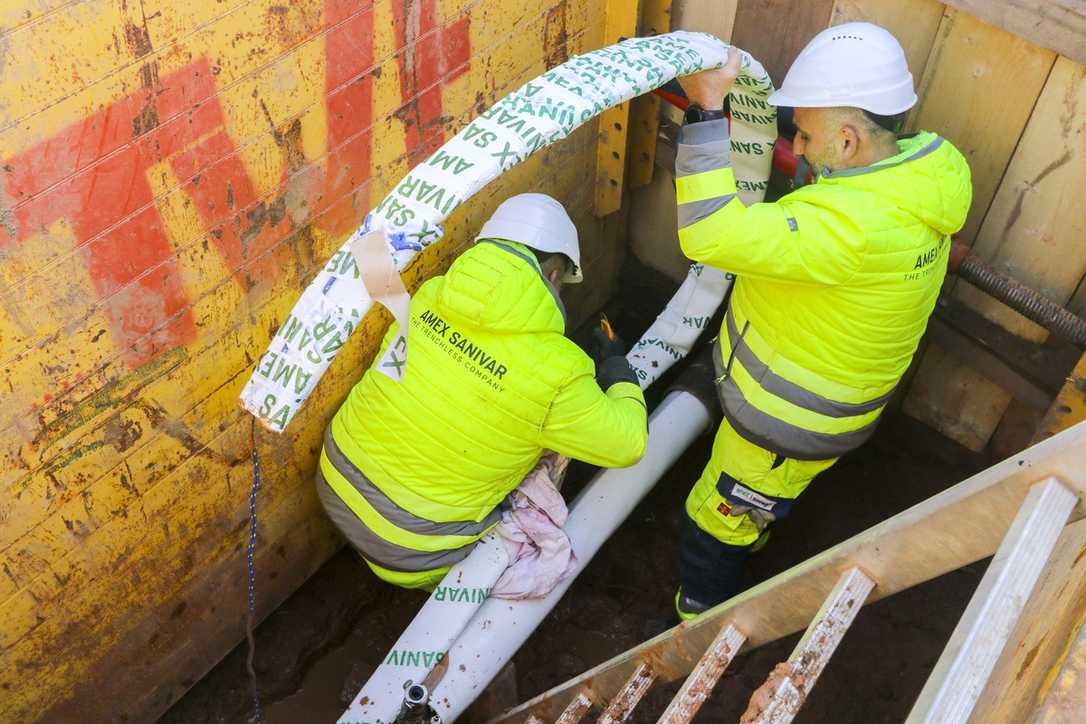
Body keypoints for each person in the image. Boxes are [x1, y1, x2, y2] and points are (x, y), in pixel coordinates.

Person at [671, 23, 972, 618]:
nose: (798, 149)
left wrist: (707, 109)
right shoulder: (924, 175)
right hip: (831, 407)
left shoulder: (848, 228)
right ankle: (762, 517)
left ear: (849, 141)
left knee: (717, 515)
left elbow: (707, 234)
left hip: (782, 424)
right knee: (768, 495)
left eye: (806, 136)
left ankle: (697, 614)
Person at [316, 193, 648, 590]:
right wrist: (618, 371)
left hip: (333, 481)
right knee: (550, 451)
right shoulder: (559, 369)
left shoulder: (429, 296)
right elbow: (628, 444)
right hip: (413, 550)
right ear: (555, 274)